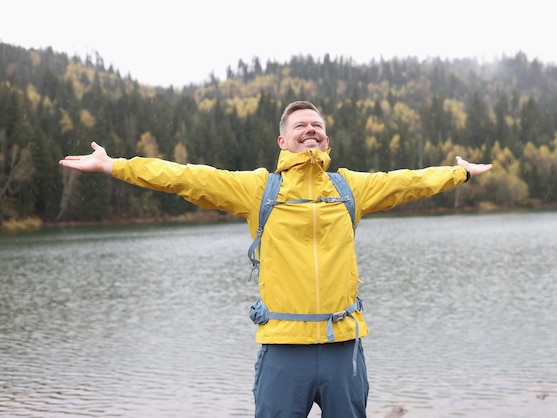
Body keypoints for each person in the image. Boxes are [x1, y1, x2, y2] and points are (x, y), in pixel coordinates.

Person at [59, 100, 492, 417]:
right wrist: (115, 165)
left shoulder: (350, 189)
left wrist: (461, 172)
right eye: (301, 124)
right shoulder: (257, 189)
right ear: (282, 139)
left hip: (343, 348)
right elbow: (184, 177)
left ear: (327, 139)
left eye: (317, 125)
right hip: (284, 351)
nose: (311, 129)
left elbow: (409, 182)